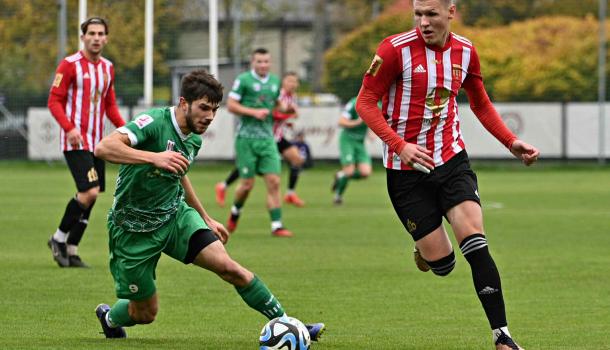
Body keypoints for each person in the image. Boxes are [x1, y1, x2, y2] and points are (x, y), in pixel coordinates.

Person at [355, 1, 540, 349]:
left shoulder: (466, 51)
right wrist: (399, 145)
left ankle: (502, 336)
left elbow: (481, 103)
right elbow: (365, 102)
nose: (423, 22)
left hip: (451, 159)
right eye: (418, 15)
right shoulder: (393, 50)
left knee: (475, 239)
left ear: (451, 12)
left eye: (432, 15)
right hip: (406, 171)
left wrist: (511, 142)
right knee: (442, 265)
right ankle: (424, 252)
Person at [92, 69, 324, 341]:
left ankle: (290, 325)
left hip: (175, 217)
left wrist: (204, 217)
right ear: (183, 103)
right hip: (133, 230)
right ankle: (109, 318)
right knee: (145, 313)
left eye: (214, 110)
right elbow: (103, 148)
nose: (209, 116)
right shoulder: (153, 121)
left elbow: (179, 174)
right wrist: (154, 157)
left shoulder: (194, 139)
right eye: (203, 108)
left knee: (230, 268)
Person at [47, 17, 125, 268]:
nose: (96, 38)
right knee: (88, 191)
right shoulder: (69, 65)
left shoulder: (108, 68)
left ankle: (72, 249)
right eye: (91, 33)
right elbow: (54, 101)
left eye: (101, 33)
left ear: (106, 38)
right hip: (76, 141)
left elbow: (109, 104)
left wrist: (126, 130)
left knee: (93, 195)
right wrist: (69, 128)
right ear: (82, 37)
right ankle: (58, 239)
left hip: (97, 143)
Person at [224, 48, 293, 237]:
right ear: (252, 63)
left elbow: (278, 105)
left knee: (274, 181)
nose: (263, 65)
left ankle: (277, 225)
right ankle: (235, 213)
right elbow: (230, 105)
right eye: (259, 62)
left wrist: (287, 109)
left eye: (266, 62)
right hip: (246, 139)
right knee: (247, 185)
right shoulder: (244, 80)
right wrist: (253, 112)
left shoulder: (274, 82)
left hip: (267, 139)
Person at [215, 72, 306, 208]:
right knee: (248, 167)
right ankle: (223, 186)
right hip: (265, 137)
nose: (293, 84)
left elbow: (292, 114)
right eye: (290, 81)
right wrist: (285, 116)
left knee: (297, 159)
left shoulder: (292, 97)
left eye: (295, 81)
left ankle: (290, 194)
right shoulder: (277, 94)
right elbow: (271, 113)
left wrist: (288, 119)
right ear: (283, 83)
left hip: (277, 137)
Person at [331, 96, 375, 205]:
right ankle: (338, 196)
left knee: (365, 172)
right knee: (349, 171)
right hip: (348, 139)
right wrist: (357, 122)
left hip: (360, 142)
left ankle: (340, 175)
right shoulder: (355, 102)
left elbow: (373, 122)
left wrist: (371, 133)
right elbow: (341, 122)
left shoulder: (377, 104)